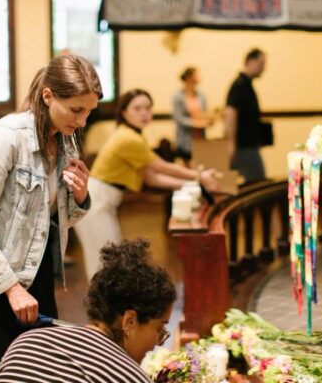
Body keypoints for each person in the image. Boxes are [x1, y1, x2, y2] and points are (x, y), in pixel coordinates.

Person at [0, 55, 102, 382]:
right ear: (48, 96)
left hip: (33, 270)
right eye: (77, 110)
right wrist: (10, 287)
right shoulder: (5, 138)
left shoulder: (66, 139)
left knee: (34, 372)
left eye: (89, 111)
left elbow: (50, 221)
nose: (83, 121)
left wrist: (79, 196)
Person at [74, 89, 219, 279]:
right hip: (95, 203)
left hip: (102, 201)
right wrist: (199, 176)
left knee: (109, 262)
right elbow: (160, 167)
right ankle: (101, 308)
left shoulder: (133, 135)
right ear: (124, 112)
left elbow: (152, 178)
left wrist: (192, 185)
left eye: (147, 108)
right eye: (137, 108)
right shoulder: (128, 138)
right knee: (105, 264)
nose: (144, 113)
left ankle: (109, 307)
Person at [0, 238, 176, 382]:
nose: (156, 344)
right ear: (129, 321)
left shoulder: (26, 343)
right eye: (159, 329)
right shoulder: (127, 376)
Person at [225, 48, 267, 184]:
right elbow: (230, 112)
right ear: (250, 62)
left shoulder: (246, 85)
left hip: (248, 145)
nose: (263, 68)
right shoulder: (240, 85)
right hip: (244, 146)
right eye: (261, 64)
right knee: (257, 183)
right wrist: (231, 143)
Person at [172, 66, 211, 165]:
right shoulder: (178, 96)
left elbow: (204, 113)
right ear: (189, 78)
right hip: (185, 138)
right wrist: (196, 123)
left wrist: (209, 120)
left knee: (200, 164)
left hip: (200, 136)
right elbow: (179, 118)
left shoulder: (201, 95)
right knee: (187, 165)